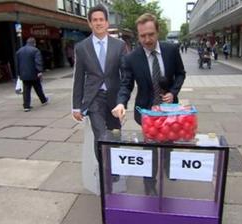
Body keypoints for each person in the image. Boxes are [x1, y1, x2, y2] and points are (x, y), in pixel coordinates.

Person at [112, 13, 186, 195]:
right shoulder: (131, 58)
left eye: (151, 34)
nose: (147, 39)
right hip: (145, 112)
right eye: (143, 36)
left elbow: (181, 74)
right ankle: (149, 182)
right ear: (138, 35)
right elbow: (126, 84)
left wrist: (173, 92)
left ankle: (169, 167)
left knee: (169, 141)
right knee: (150, 148)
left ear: (158, 32)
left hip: (169, 110)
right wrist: (121, 103)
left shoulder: (171, 50)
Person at [71, 4, 127, 160]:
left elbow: (126, 76)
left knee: (115, 134)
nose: (98, 23)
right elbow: (79, 77)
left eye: (101, 19)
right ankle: (104, 171)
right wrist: (76, 106)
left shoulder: (119, 45)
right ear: (89, 23)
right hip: (94, 98)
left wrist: (123, 101)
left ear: (107, 23)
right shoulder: (82, 47)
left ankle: (114, 168)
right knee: (100, 135)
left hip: (114, 98)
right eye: (94, 20)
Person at [16, 37, 49, 112]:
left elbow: (17, 64)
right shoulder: (35, 50)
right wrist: (39, 71)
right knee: (38, 88)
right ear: (34, 43)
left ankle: (26, 106)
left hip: (24, 74)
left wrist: (18, 73)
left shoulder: (19, 51)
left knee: (26, 90)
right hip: (34, 73)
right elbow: (38, 61)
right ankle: (43, 100)